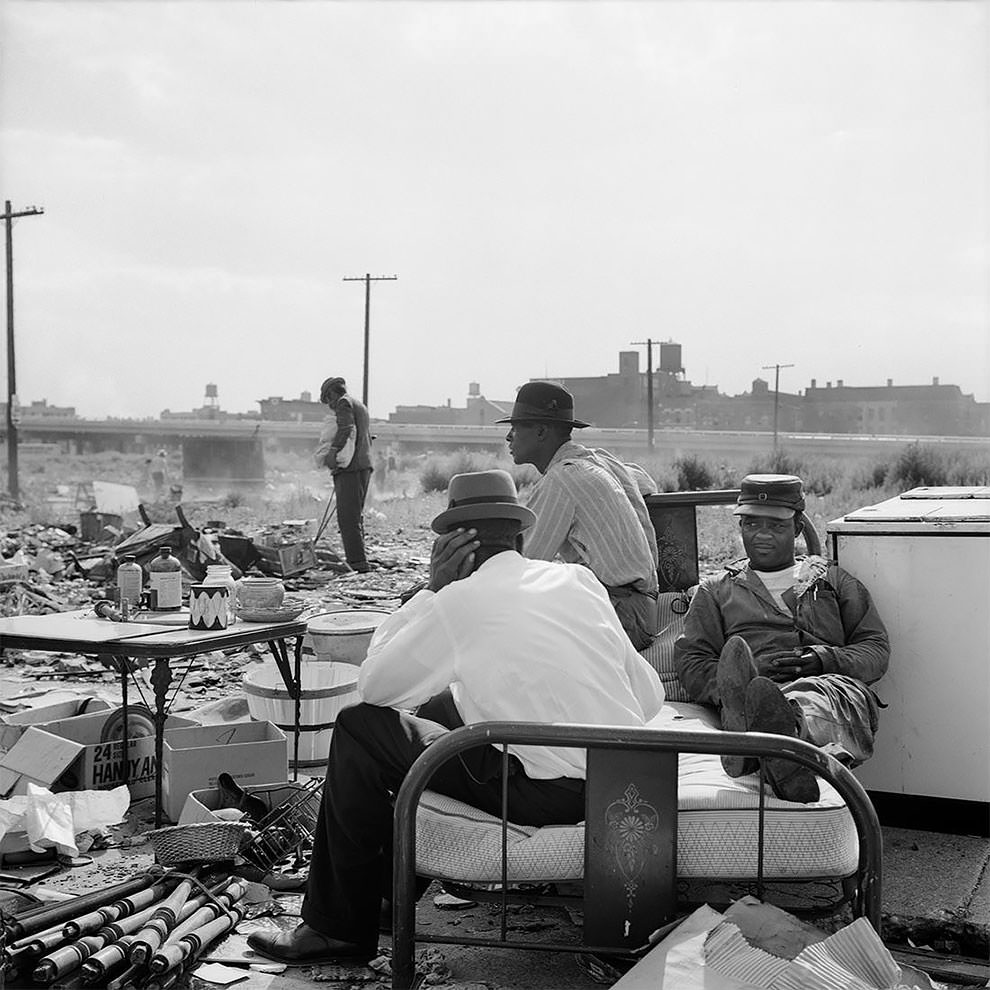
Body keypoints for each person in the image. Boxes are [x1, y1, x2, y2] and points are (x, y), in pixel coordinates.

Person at [247, 470, 665, 966]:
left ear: (450, 546)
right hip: (628, 782)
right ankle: (383, 895)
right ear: (520, 536)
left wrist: (431, 593)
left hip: (554, 798)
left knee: (360, 727)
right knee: (443, 705)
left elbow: (376, 687)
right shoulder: (578, 581)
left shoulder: (459, 601)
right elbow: (649, 696)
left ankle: (335, 927)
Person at [673, 474, 890, 803]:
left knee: (815, 696)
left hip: (830, 686)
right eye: (750, 524)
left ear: (798, 527)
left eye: (775, 526)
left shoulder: (832, 580)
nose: (761, 535)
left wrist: (823, 658)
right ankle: (770, 732)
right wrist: (742, 680)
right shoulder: (716, 590)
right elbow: (692, 661)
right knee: (756, 690)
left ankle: (773, 738)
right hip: (749, 693)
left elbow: (875, 649)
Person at [499, 381, 660, 650]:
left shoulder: (561, 479)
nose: (509, 437)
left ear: (541, 431)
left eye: (516, 428)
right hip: (639, 607)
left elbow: (523, 565)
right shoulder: (600, 461)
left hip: (620, 614)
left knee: (507, 627)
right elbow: (646, 484)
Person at [315, 376, 373, 573]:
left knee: (347, 518)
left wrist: (333, 452)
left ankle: (357, 563)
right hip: (363, 466)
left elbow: (346, 427)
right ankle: (360, 560)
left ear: (331, 394)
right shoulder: (359, 405)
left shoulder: (343, 403)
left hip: (352, 468)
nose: (331, 406)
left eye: (328, 401)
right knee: (355, 516)